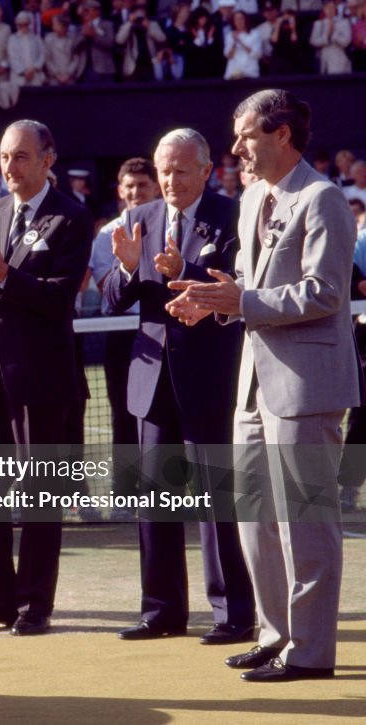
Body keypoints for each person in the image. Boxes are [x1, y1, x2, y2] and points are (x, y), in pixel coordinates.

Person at [168, 89, 360, 682]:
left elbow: (326, 293)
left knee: (305, 523)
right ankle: (277, 636)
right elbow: (250, 284)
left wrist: (243, 299)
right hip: (253, 386)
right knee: (255, 519)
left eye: (247, 134)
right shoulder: (253, 198)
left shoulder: (324, 198)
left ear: (281, 134)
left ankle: (310, 652)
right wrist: (217, 301)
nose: (236, 147)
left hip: (307, 388)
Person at [103, 129, 255, 645]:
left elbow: (238, 285)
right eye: (163, 170)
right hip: (152, 380)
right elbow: (112, 299)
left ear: (206, 171)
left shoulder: (232, 214)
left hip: (210, 378)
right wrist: (127, 267)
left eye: (181, 170)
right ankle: (161, 610)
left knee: (218, 500)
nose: (170, 180)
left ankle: (232, 613)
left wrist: (184, 270)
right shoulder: (138, 218)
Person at [0, 120, 92, 637]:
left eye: (22, 157)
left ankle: (35, 605)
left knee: (39, 497)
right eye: (5, 157)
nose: (10, 167)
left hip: (41, 374)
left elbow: (58, 298)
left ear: (47, 159)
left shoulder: (72, 217)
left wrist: (4, 276)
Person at [87, 157, 160, 519]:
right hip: (121, 336)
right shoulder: (105, 236)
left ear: (155, 187)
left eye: (142, 185)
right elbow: (110, 290)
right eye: (129, 187)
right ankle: (124, 494)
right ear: (120, 191)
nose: (135, 192)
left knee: (167, 416)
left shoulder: (171, 227)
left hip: (164, 332)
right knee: (123, 414)